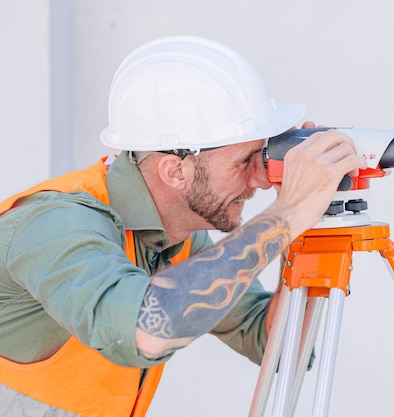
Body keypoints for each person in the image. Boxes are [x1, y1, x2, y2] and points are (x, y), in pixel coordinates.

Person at [0, 36, 366, 417]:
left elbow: (274, 343)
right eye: (244, 161)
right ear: (176, 170)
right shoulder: (56, 224)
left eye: (263, 156)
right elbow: (144, 330)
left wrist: (304, 224)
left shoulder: (178, 236)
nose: (260, 180)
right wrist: (286, 213)